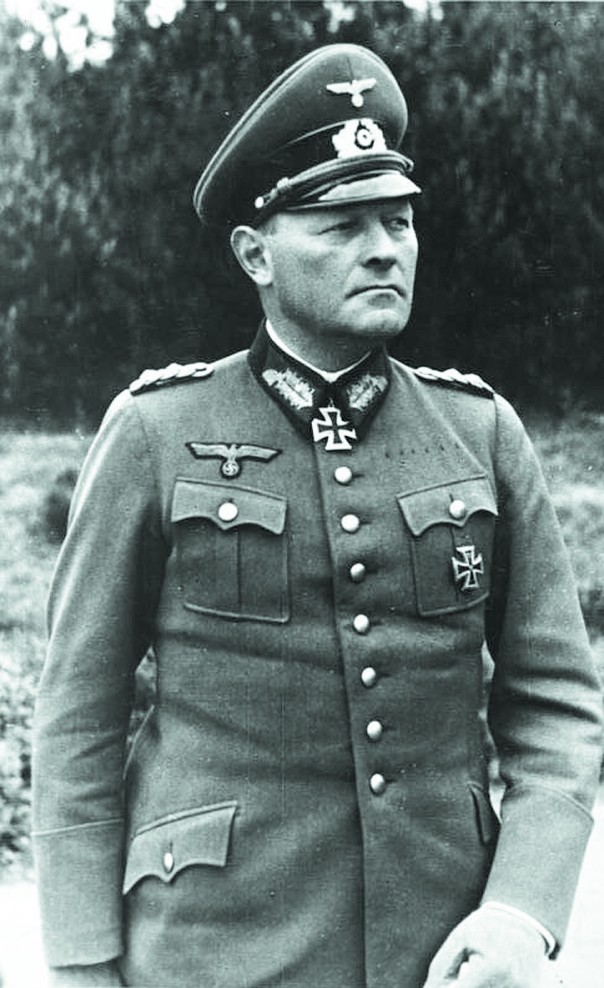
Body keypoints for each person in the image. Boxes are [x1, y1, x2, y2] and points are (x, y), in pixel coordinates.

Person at [32, 43, 603, 988]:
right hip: (212, 947)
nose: (385, 248)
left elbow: (557, 704)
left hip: (442, 951)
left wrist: (520, 912)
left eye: (399, 220)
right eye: (342, 224)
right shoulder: (156, 433)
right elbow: (77, 715)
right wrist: (83, 959)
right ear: (255, 254)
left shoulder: (480, 434)